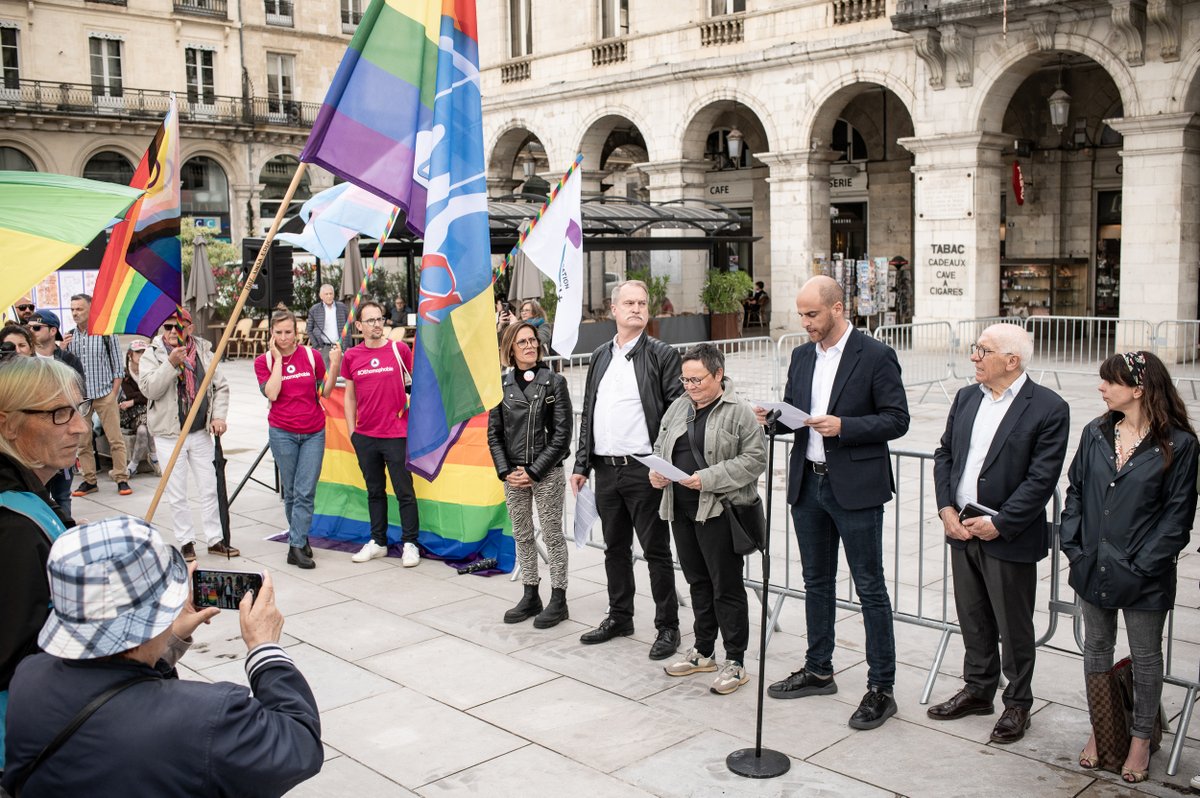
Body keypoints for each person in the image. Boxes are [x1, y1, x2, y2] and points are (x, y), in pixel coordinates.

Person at [1, 517, 323, 796]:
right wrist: (264, 648)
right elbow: (299, 745)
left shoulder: (29, 677)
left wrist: (167, 642)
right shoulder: (208, 718)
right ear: (154, 614)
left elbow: (119, 696)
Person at [756, 274, 909, 730]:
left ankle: (881, 687)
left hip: (855, 487)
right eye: (801, 315)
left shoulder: (876, 355)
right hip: (809, 485)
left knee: (869, 587)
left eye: (812, 314)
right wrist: (772, 420)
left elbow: (896, 419)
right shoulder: (802, 356)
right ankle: (819, 668)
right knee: (815, 582)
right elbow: (794, 413)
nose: (804, 323)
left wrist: (846, 426)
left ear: (838, 308)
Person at [928, 323, 1069, 744]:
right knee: (972, 617)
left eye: (982, 350)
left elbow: (1041, 479)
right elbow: (945, 453)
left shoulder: (1048, 407)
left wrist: (1001, 522)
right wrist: (945, 508)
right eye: (975, 348)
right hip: (961, 528)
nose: (974, 356)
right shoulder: (966, 397)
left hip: (1008, 536)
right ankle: (978, 689)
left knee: (1014, 625)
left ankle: (1018, 703)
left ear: (1012, 360)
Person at [1062, 351, 1199, 783]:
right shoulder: (1095, 432)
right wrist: (1076, 547)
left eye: (1110, 381)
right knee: (1096, 649)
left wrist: (1140, 565)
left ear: (1138, 389)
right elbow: (1076, 493)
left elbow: (1177, 519)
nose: (1100, 387)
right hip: (1092, 565)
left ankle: (1141, 739)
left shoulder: (1179, 444)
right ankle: (1103, 730)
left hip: (1144, 574)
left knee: (1144, 657)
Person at [570, 279, 684, 660]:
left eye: (642, 303)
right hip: (605, 470)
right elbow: (589, 410)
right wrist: (581, 461)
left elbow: (674, 414)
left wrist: (664, 463)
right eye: (629, 303)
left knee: (656, 551)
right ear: (613, 310)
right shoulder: (601, 355)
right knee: (614, 548)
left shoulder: (661, 355)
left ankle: (668, 627)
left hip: (643, 470)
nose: (636, 308)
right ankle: (620, 615)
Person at [652, 343, 765, 695]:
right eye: (685, 379)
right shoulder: (678, 407)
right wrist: (656, 473)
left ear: (718, 374)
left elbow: (755, 459)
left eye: (697, 379)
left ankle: (735, 660)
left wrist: (709, 478)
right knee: (697, 581)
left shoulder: (739, 411)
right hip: (682, 509)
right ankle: (703, 650)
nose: (690, 386)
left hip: (718, 511)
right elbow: (660, 447)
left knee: (725, 586)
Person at [0, 356, 88, 770]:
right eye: (58, 414)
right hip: (22, 752)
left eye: (78, 409)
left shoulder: (27, 499)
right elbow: (22, 662)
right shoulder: (12, 527)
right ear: (8, 425)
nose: (80, 427)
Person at [487, 321, 573, 628]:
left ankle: (559, 598)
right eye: (522, 341)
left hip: (546, 472)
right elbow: (494, 434)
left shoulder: (554, 382)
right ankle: (530, 593)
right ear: (510, 348)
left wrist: (535, 471)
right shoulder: (500, 385)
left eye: (533, 340)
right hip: (513, 474)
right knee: (522, 535)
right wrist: (506, 471)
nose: (529, 345)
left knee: (552, 535)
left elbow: (562, 435)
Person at [137, 308, 240, 561]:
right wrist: (171, 364)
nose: (172, 332)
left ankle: (216, 539)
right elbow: (150, 389)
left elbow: (220, 386)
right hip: (169, 434)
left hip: (200, 431)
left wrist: (218, 416)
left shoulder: (204, 351)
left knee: (209, 488)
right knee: (176, 491)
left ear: (191, 328)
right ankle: (186, 541)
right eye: (167, 327)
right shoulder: (153, 354)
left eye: (178, 327)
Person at [255, 310, 341, 570]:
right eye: (279, 333)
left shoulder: (312, 356)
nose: (284, 338)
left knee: (305, 491)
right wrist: (279, 360)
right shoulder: (264, 362)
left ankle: (295, 547)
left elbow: (324, 392)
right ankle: (300, 538)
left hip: (313, 430)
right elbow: (272, 393)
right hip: (283, 433)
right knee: (291, 491)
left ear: (297, 332)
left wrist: (335, 364)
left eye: (288, 332)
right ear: (272, 334)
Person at [341, 300, 421, 567]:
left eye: (380, 319)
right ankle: (378, 542)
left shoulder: (399, 350)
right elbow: (349, 397)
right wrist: (353, 432)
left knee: (404, 491)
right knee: (374, 491)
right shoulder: (352, 356)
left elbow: (420, 385)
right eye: (371, 320)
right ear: (359, 325)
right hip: (366, 436)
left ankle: (410, 543)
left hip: (396, 433)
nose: (377, 324)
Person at [63, 293, 131, 498]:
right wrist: (62, 350)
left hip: (104, 394)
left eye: (79, 309)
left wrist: (113, 393)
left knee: (115, 439)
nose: (75, 313)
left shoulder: (105, 333)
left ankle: (121, 478)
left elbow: (118, 368)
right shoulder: (69, 337)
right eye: (72, 309)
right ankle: (89, 480)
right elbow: (65, 369)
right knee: (83, 441)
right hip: (82, 397)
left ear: (90, 310)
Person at [305, 283, 351, 368]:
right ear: (321, 296)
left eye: (331, 293)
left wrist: (348, 346)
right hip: (323, 348)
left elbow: (347, 328)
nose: (329, 296)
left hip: (340, 347)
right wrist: (317, 346)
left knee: (341, 376)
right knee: (325, 376)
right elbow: (309, 329)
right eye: (326, 294)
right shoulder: (314, 309)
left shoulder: (342, 307)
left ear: (334, 295)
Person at [28, 310, 84, 377]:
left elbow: (79, 386)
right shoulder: (24, 358)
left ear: (53, 331)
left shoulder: (70, 360)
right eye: (28, 328)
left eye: (36, 327)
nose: (30, 331)